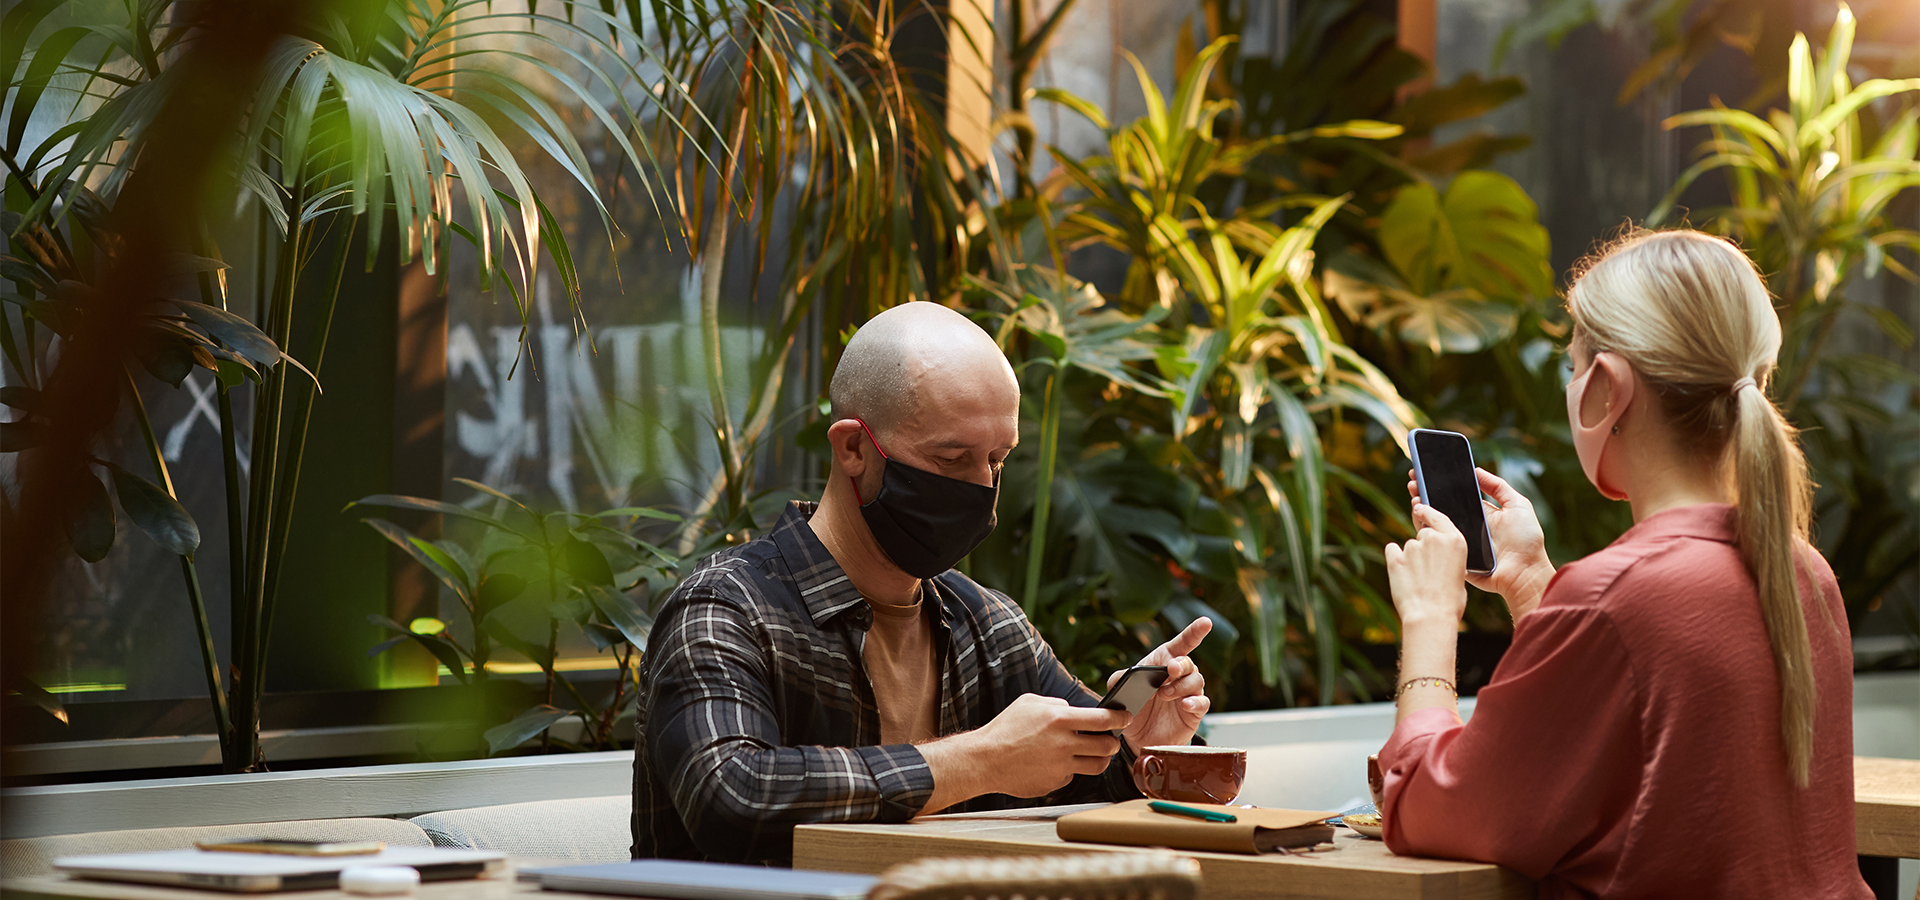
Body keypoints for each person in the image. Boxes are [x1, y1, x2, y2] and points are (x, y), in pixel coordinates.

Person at [1376, 230, 1871, 898]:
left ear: (1606, 389)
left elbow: (1425, 811)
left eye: (1576, 368)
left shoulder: (1619, 598)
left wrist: (1431, 618)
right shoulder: (1804, 573)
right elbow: (1622, 729)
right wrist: (1530, 583)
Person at [630, 301, 1213, 865]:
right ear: (854, 447)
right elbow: (733, 798)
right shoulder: (726, 610)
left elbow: (1095, 774)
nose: (982, 488)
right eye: (952, 458)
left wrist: (1141, 747)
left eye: (998, 460)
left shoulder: (988, 627)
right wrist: (979, 761)